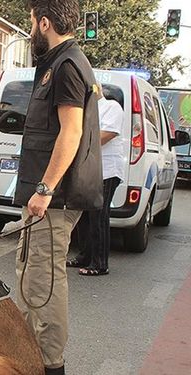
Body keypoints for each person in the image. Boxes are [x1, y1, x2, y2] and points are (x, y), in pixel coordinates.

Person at [13, 1, 103, 374]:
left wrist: (45, 188)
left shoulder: (66, 65)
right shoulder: (59, 63)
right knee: (30, 278)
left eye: (32, 21)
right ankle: (28, 359)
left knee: (43, 286)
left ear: (44, 22)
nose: (30, 28)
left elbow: (72, 131)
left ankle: (51, 367)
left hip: (55, 199)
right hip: (48, 200)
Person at [69, 83, 125, 276]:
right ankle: (84, 256)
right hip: (87, 171)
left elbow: (107, 135)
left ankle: (100, 263)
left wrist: (77, 139)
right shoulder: (82, 111)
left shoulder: (111, 107)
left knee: (98, 217)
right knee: (84, 216)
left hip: (106, 171)